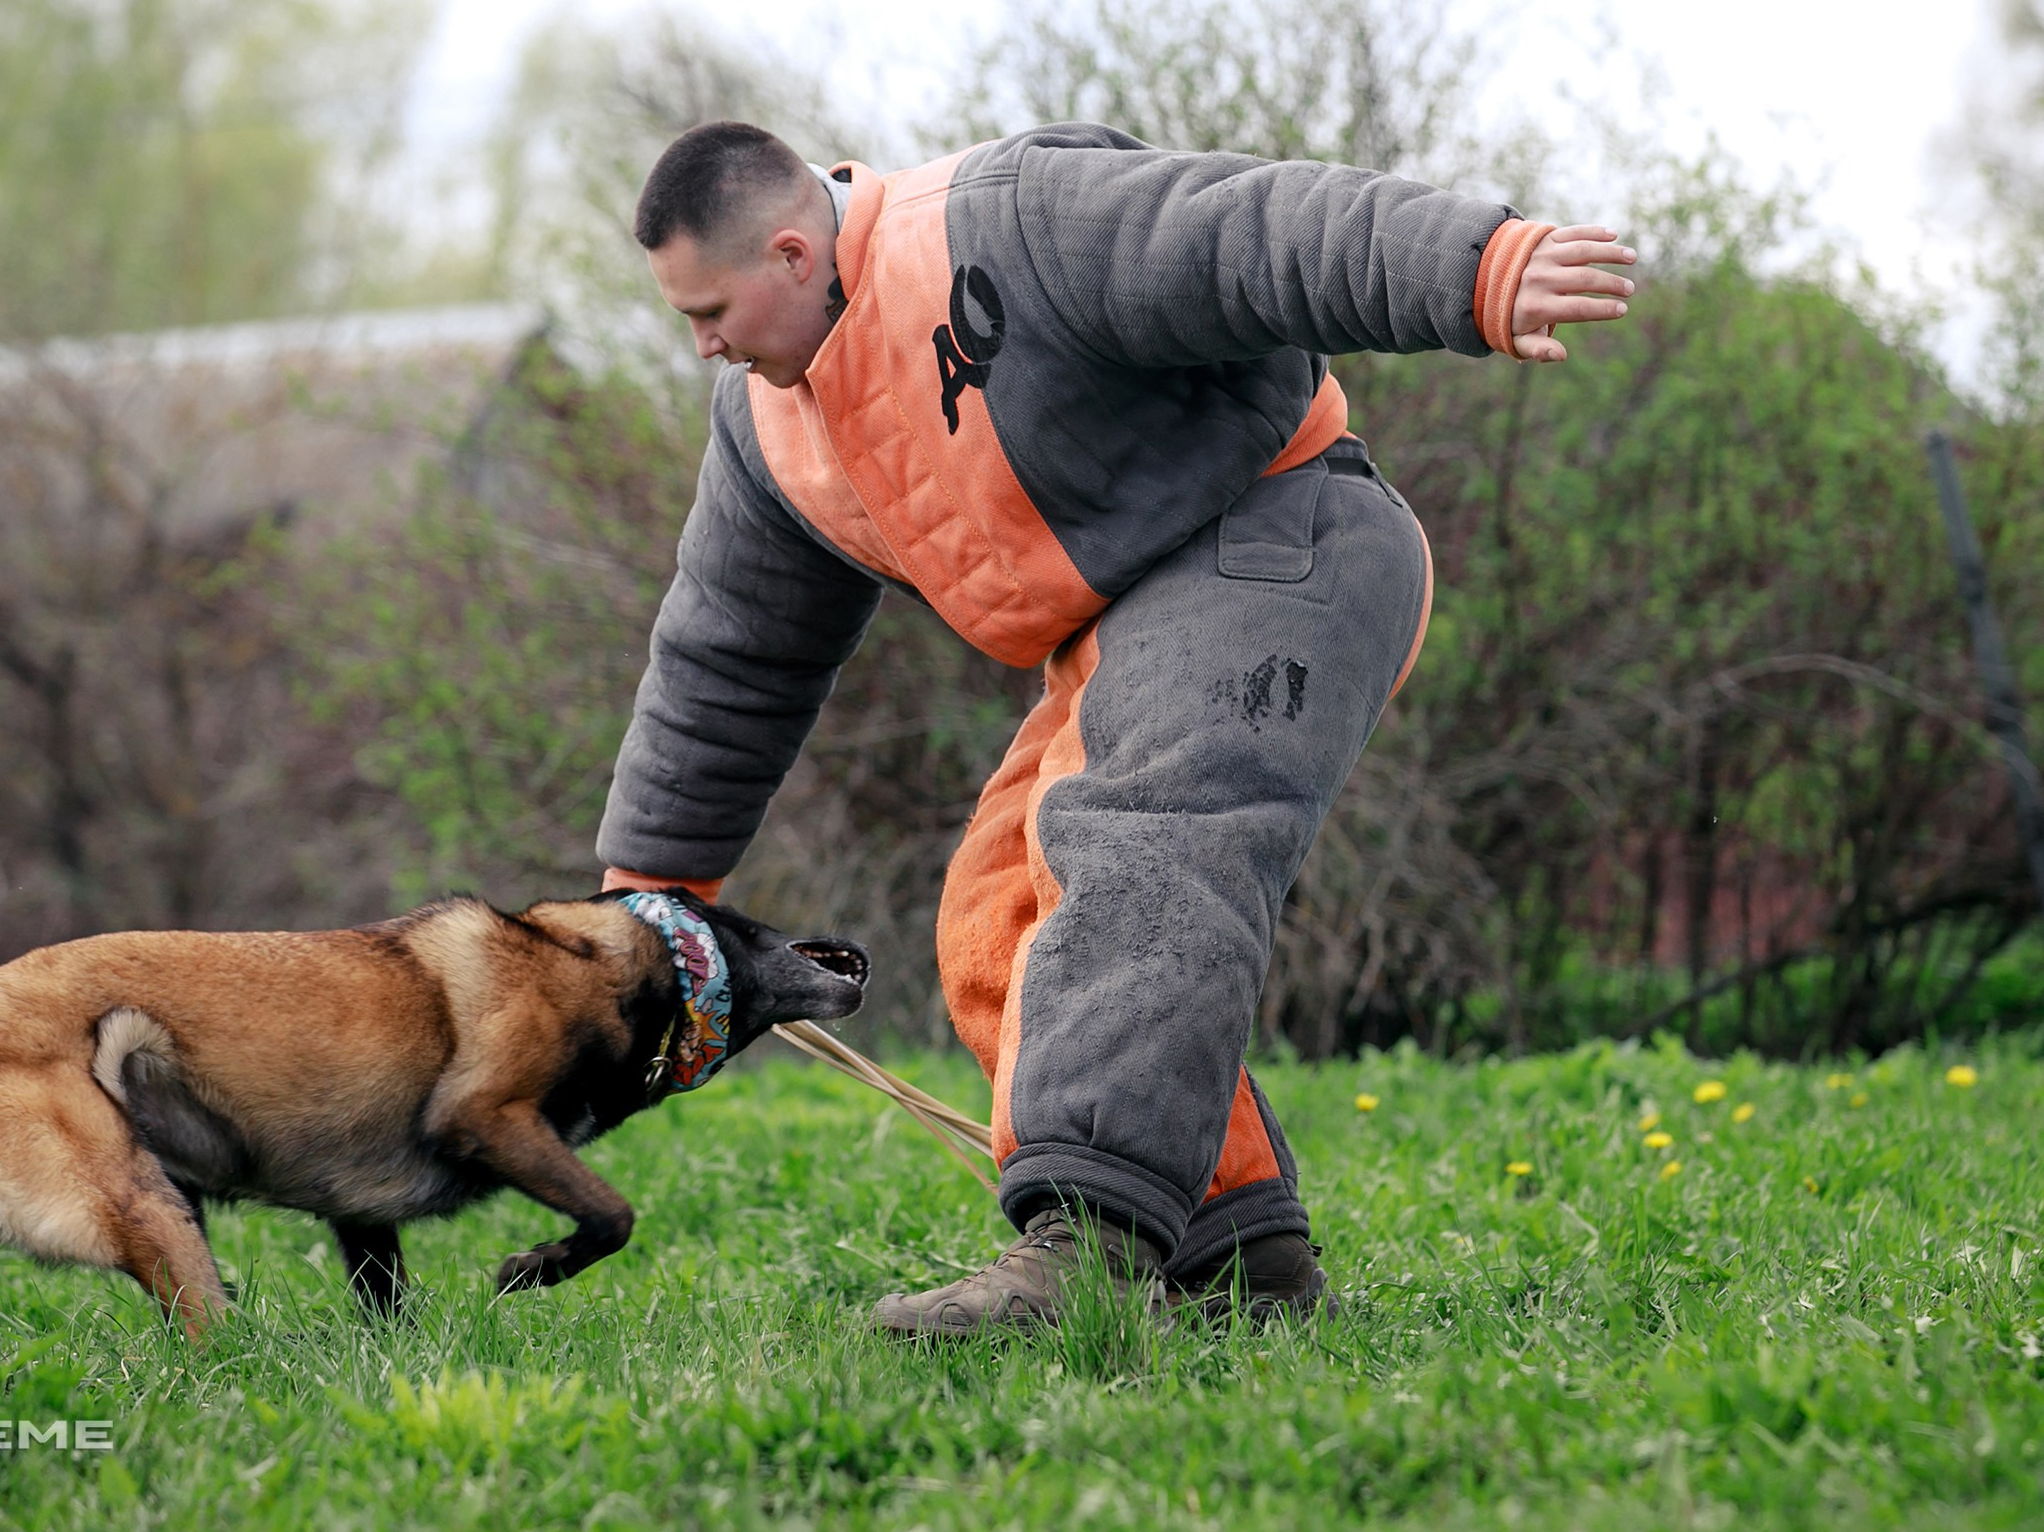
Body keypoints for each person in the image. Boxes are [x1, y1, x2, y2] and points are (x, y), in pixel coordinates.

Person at [596, 120, 1633, 1335]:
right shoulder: (767, 429)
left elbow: (1250, 232)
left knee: (1139, 843)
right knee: (997, 914)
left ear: (788, 254)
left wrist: (1477, 267)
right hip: (1123, 633)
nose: (706, 346)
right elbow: (729, 652)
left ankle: (1086, 1245)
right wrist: (651, 895)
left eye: (709, 312)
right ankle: (1237, 1259)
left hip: (1282, 535)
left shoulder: (1004, 220)